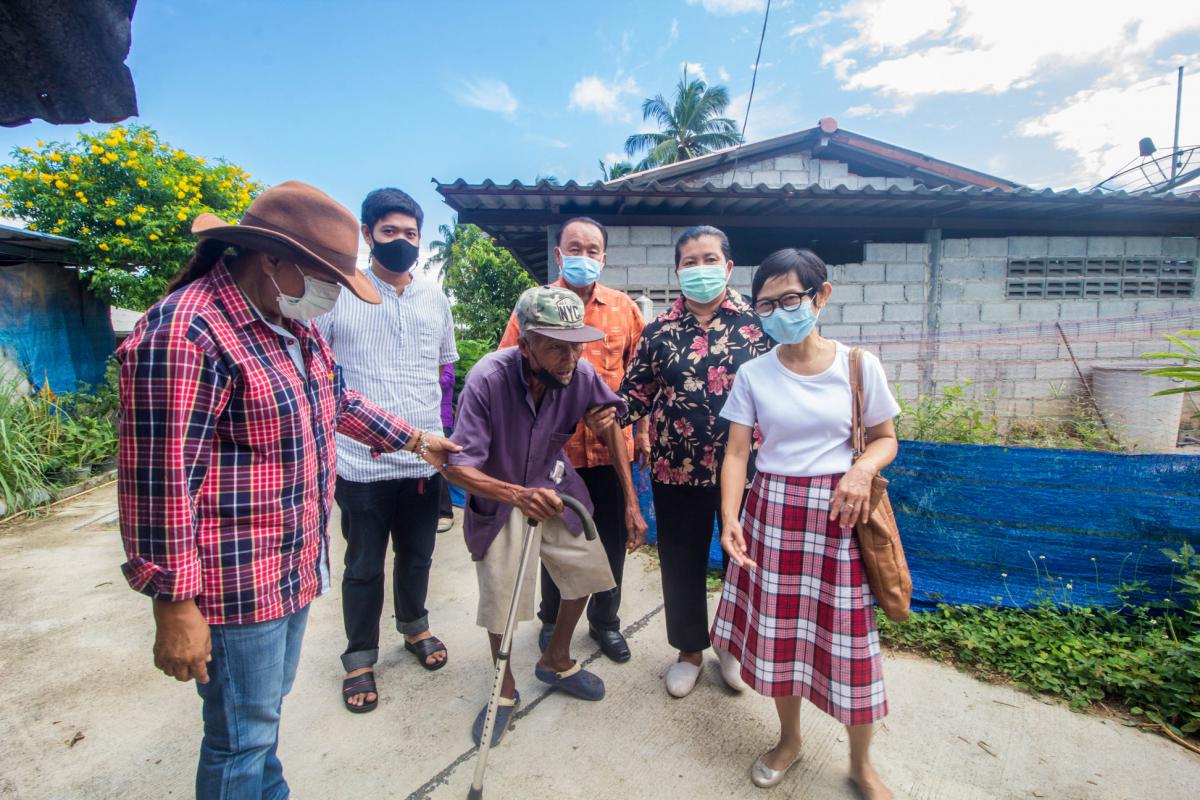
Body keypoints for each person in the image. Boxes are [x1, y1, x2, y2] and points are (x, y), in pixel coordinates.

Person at [116, 181, 458, 798]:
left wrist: (415, 440)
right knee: (239, 740)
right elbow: (158, 480)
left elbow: (337, 401)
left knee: (260, 724)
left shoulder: (290, 326)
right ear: (272, 259)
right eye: (325, 277)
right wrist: (173, 603)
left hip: (288, 567)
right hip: (233, 579)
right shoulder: (188, 331)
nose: (332, 293)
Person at [711, 248, 899, 796]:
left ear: (821, 296)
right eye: (765, 305)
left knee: (851, 645)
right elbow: (737, 453)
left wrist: (861, 470)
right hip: (771, 514)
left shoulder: (858, 366)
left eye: (789, 299)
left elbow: (886, 439)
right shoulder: (753, 374)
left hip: (841, 520)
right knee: (779, 638)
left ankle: (861, 763)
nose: (777, 313)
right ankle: (789, 740)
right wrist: (730, 517)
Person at [445, 286, 648, 746]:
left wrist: (631, 501)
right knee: (501, 595)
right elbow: (458, 468)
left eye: (576, 345)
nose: (569, 358)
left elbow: (611, 423)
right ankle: (504, 689)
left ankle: (555, 659)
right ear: (525, 346)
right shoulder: (487, 379)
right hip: (499, 492)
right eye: (556, 346)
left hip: (555, 485)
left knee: (588, 569)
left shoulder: (580, 374)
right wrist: (516, 495)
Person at [315, 188, 458, 713]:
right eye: (390, 231)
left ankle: (414, 627)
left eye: (411, 233)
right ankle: (359, 655)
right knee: (363, 564)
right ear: (367, 233)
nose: (402, 241)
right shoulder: (338, 293)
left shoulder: (434, 297)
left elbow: (442, 370)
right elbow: (318, 373)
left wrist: (442, 431)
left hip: (424, 457)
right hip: (360, 460)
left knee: (418, 555)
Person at [618, 224, 771, 699]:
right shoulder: (658, 332)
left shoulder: (759, 325)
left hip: (748, 473)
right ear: (677, 271)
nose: (700, 269)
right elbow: (633, 397)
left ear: (728, 267)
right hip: (676, 471)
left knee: (742, 563)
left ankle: (732, 646)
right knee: (680, 563)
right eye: (690, 261)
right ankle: (688, 651)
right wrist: (585, 403)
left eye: (710, 260)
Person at [498, 216, 646, 663]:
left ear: (604, 257)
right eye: (574, 249)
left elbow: (640, 379)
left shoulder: (624, 309)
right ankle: (551, 620)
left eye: (592, 250)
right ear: (559, 255)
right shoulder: (533, 306)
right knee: (557, 542)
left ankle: (605, 622)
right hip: (554, 454)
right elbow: (510, 369)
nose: (584, 257)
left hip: (610, 451)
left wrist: (638, 428)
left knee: (611, 540)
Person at [437, 361, 457, 532]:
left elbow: (446, 381)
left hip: (440, 420)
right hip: (414, 420)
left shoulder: (444, 360)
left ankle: (445, 513)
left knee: (439, 466)